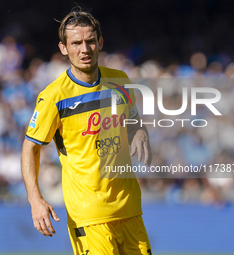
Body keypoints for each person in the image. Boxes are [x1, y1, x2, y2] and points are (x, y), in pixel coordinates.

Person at [21, 8, 153, 255]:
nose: (85, 49)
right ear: (63, 48)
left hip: (130, 208)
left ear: (100, 43)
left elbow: (133, 121)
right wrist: (34, 199)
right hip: (89, 215)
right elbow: (31, 147)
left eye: (90, 41)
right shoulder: (54, 97)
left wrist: (139, 132)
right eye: (76, 43)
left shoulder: (121, 81)